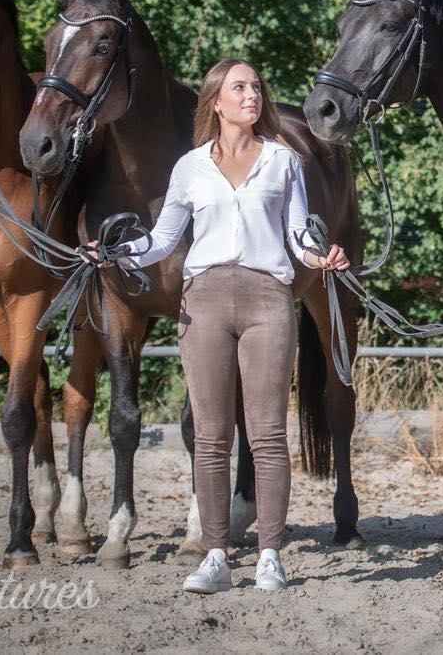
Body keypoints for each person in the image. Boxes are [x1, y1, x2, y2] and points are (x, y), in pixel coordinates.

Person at [94, 58, 349, 593]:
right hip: (203, 301)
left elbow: (298, 233)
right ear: (217, 101)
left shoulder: (284, 162)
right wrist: (116, 252)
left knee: (267, 435)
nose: (252, 94)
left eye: (257, 86)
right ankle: (214, 554)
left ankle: (270, 555)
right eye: (240, 87)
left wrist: (320, 254)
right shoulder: (189, 168)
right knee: (211, 437)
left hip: (267, 300)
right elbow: (163, 240)